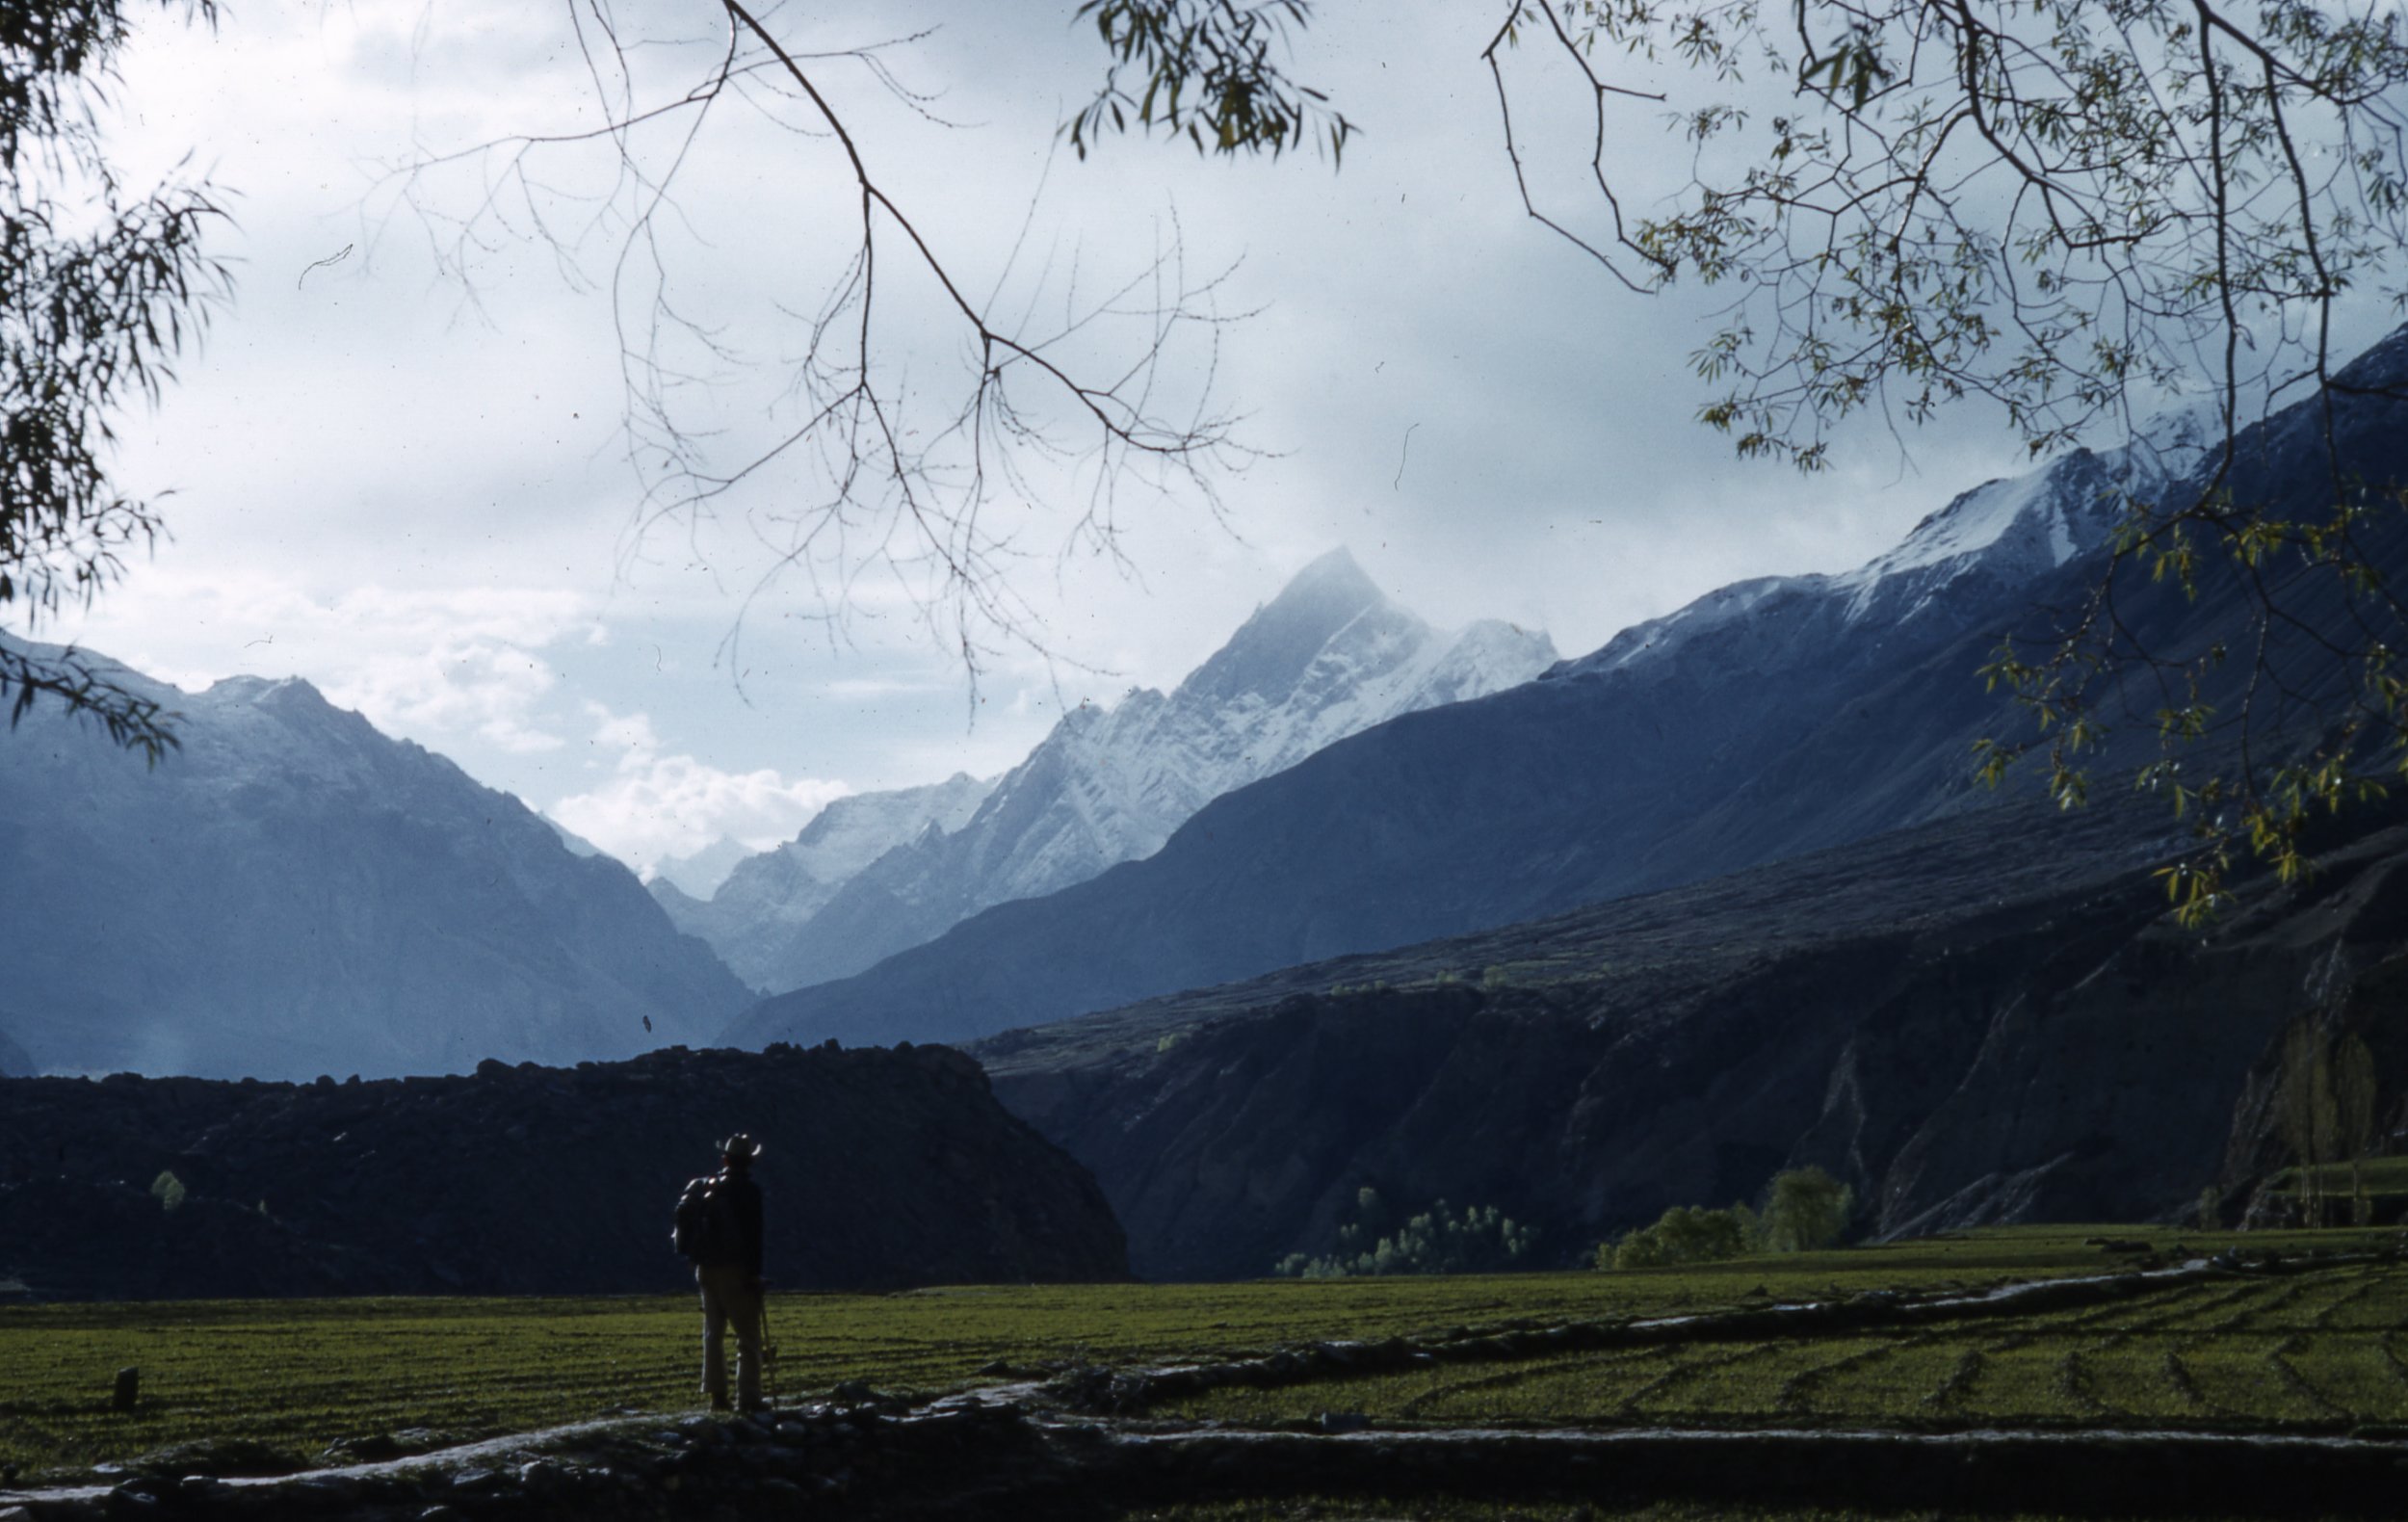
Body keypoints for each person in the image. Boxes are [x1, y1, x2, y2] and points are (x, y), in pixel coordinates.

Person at [691, 1133, 767, 1412]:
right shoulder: (749, 1191)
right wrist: (754, 1274)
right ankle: (749, 1398)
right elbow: (753, 1238)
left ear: (725, 1159)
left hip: (705, 1268)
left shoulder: (709, 1188)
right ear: (749, 1162)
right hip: (735, 1270)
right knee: (748, 1336)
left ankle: (717, 1397)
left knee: (713, 1332)